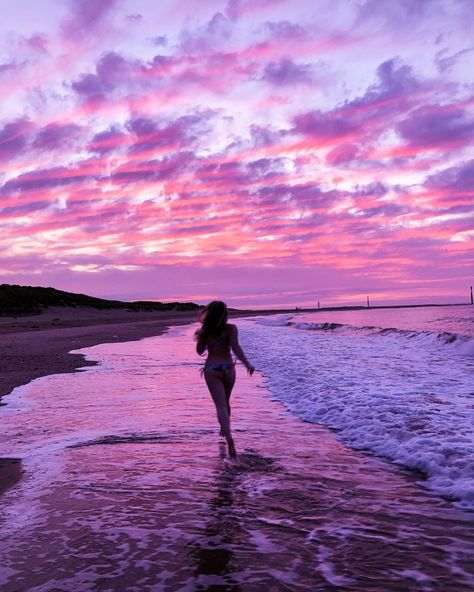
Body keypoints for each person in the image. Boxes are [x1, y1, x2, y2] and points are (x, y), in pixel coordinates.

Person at [195, 301, 255, 461]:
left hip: (212, 368)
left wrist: (201, 339)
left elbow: (199, 351)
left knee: (220, 405)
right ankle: (225, 428)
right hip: (228, 367)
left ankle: (229, 438)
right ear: (224, 314)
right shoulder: (231, 328)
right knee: (226, 403)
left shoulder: (205, 331)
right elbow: (236, 348)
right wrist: (247, 363)